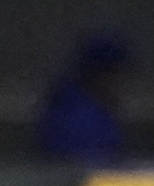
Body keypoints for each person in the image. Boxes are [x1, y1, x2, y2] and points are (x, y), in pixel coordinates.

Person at [35, 32, 131, 166]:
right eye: (118, 76)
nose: (122, 86)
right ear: (100, 76)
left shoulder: (66, 103)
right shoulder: (81, 121)